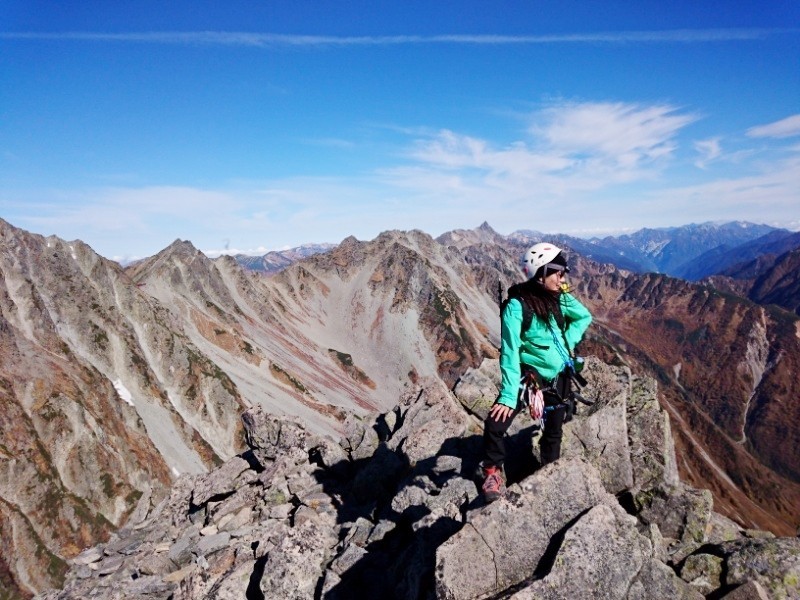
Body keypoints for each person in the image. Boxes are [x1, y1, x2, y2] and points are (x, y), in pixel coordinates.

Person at [480, 243, 592, 502]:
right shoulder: (517, 307)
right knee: (495, 424)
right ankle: (492, 472)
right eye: (558, 272)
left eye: (563, 272)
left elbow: (583, 317)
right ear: (541, 273)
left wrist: (567, 345)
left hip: (559, 376)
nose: (563, 278)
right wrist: (509, 394)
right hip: (529, 377)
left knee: (554, 431)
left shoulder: (559, 297)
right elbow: (509, 352)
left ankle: (550, 471)